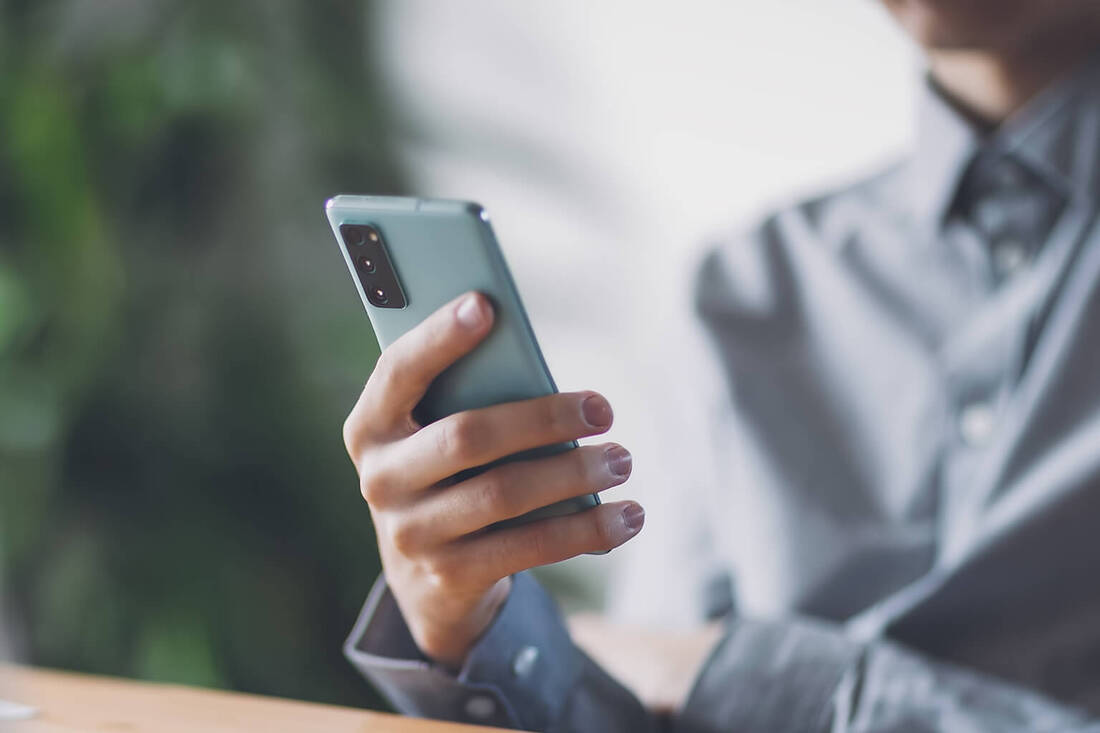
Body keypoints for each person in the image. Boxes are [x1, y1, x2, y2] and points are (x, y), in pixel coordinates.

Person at [339, 1, 1100, 730]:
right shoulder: (751, 284)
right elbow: (650, 700)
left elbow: (691, 675)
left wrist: (751, 678)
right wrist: (465, 627)